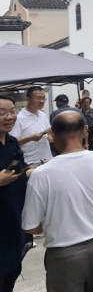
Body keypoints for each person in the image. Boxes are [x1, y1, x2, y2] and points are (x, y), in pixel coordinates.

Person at [22, 109, 93, 292]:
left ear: (51, 135)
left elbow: (30, 226)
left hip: (64, 254)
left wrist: (53, 222)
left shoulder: (40, 175)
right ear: (84, 132)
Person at [0, 96, 28, 292]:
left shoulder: (12, 142)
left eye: (12, 111)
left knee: (12, 271)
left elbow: (20, 169)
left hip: (14, 220)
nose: (9, 117)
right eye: (3, 113)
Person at [10, 86, 52, 165]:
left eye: (44, 98)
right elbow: (13, 143)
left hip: (47, 160)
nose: (42, 101)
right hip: (30, 163)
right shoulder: (19, 118)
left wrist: (52, 135)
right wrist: (30, 138)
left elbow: (49, 135)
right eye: (39, 98)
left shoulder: (43, 115)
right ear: (28, 99)